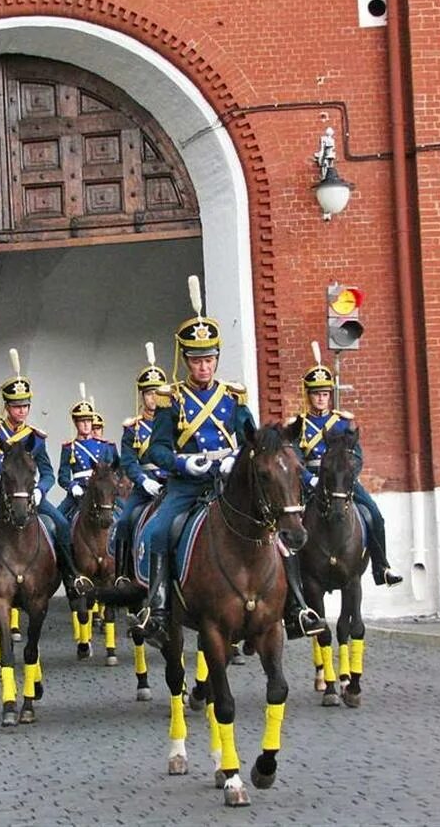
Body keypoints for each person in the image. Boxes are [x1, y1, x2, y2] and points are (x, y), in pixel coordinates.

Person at [134, 275, 315, 648]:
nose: (204, 367)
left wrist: (237, 459)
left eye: (210, 359)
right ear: (186, 361)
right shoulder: (172, 400)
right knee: (157, 532)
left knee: (282, 537)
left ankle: (297, 607)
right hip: (188, 486)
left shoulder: (233, 397)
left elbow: (253, 440)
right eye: (198, 360)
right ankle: (158, 607)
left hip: (229, 486)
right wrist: (185, 465)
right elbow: (157, 450)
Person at [0, 350, 92, 614]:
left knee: (61, 524)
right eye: (17, 406)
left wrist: (41, 490)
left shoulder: (35, 438)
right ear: (7, 406)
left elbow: (49, 472)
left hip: (27, 495)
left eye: (26, 405)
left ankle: (73, 578)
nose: (22, 411)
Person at [296, 351, 402, 591]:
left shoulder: (342, 423)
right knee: (289, 523)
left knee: (374, 515)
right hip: (311, 483)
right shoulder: (300, 425)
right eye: (316, 394)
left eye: (325, 394)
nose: (321, 399)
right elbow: (294, 460)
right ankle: (294, 580)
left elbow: (357, 456)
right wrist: (308, 480)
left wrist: (348, 478)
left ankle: (381, 567)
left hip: (342, 483)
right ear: (308, 395)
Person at [113, 342, 169, 580]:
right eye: (148, 393)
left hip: (172, 484)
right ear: (142, 395)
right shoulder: (133, 428)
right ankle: (123, 575)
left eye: (157, 392)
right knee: (125, 521)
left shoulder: (177, 422)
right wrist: (143, 481)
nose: (153, 398)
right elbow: (128, 461)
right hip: (145, 487)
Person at [56, 387, 117, 520]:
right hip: (79, 492)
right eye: (82, 421)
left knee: (123, 518)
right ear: (75, 423)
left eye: (89, 421)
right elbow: (63, 476)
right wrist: (72, 487)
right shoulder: (69, 448)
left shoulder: (104, 446)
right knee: (58, 520)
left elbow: (111, 472)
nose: (86, 425)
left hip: (101, 492)